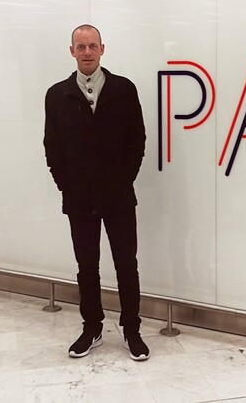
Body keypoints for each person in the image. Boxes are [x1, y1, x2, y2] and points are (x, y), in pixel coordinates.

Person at [43, 24, 149, 361]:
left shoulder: (124, 90)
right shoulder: (57, 95)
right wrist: (66, 184)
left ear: (103, 49)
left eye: (92, 46)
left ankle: (132, 330)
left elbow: (138, 141)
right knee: (87, 266)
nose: (87, 52)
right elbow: (52, 146)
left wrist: (123, 179)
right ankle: (92, 328)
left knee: (126, 266)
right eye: (80, 47)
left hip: (118, 196)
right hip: (79, 199)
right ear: (71, 51)